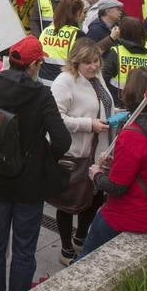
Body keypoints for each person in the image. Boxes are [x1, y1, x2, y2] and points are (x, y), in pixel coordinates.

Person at [0, 36, 71, 291]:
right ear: (34, 65)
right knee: (23, 248)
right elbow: (62, 139)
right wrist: (44, 155)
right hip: (29, 183)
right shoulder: (41, 94)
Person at [78, 72, 147, 258]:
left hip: (128, 216)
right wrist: (116, 163)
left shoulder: (132, 135)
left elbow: (116, 187)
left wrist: (97, 174)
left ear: (130, 94)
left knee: (86, 257)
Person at [49, 38, 111, 265]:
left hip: (98, 152)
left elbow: (103, 103)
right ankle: (66, 249)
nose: (94, 66)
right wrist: (88, 124)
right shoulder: (64, 81)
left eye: (96, 61)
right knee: (69, 202)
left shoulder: (96, 77)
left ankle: (80, 238)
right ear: (76, 62)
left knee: (93, 198)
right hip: (75, 154)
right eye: (88, 63)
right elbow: (56, 118)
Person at [104, 17, 147, 90]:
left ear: (122, 33)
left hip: (119, 98)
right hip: (145, 99)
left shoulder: (116, 52)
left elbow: (104, 78)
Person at [38, 0, 84, 83]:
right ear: (78, 13)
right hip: (64, 85)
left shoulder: (46, 31)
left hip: (42, 83)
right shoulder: (78, 34)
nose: (84, 16)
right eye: (83, 12)